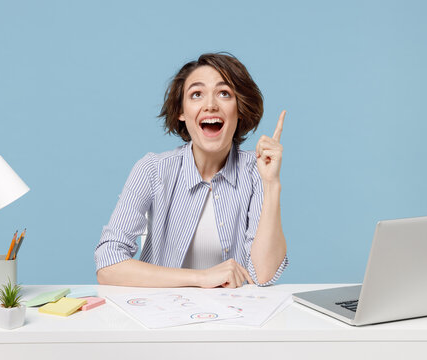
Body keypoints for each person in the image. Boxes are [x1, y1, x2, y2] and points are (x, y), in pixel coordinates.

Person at [95, 53, 288, 288]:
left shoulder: (256, 171)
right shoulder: (153, 170)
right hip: (161, 316)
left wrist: (271, 183)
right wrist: (201, 278)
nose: (210, 105)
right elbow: (107, 265)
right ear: (182, 112)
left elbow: (263, 274)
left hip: (235, 318)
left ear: (239, 109)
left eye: (224, 93)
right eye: (196, 94)